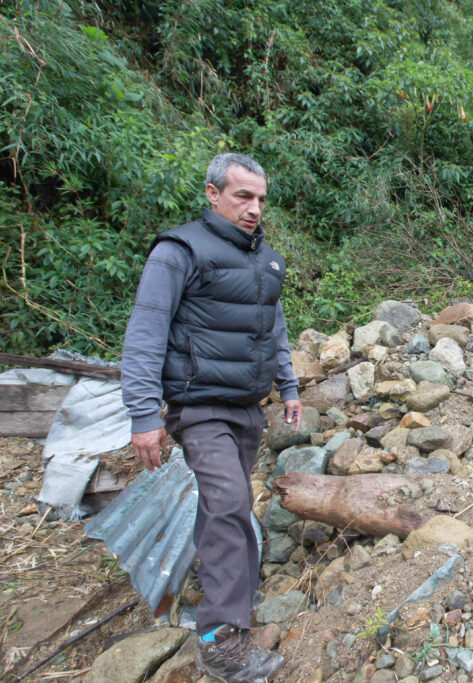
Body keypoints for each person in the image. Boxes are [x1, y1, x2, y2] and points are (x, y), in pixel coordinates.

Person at [122, 153, 301, 682]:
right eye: (243, 196)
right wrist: (142, 415)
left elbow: (275, 331)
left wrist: (288, 385)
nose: (254, 208)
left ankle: (229, 598)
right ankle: (221, 641)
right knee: (229, 503)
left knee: (225, 508)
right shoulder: (178, 251)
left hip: (247, 408)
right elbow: (146, 331)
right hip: (199, 405)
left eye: (261, 199)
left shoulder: (266, 259)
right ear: (213, 193)